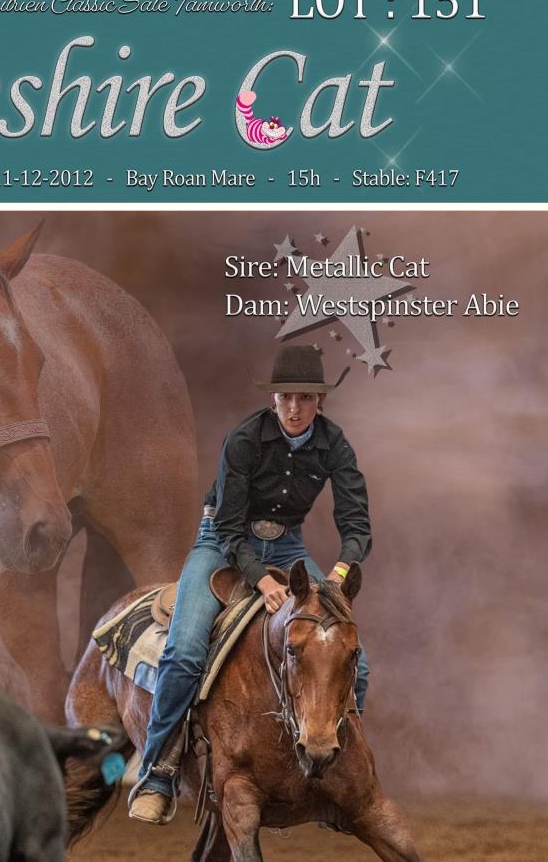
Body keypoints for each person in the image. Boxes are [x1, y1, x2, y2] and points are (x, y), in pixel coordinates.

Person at [128, 345, 371, 825]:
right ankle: (157, 772)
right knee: (186, 650)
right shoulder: (244, 439)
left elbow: (356, 522)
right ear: (273, 399)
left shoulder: (335, 444)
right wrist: (259, 580)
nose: (295, 408)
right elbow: (229, 526)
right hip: (221, 542)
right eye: (286, 397)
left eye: (305, 397)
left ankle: (330, 773)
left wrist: (340, 573)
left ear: (320, 400)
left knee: (356, 666)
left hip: (287, 544)